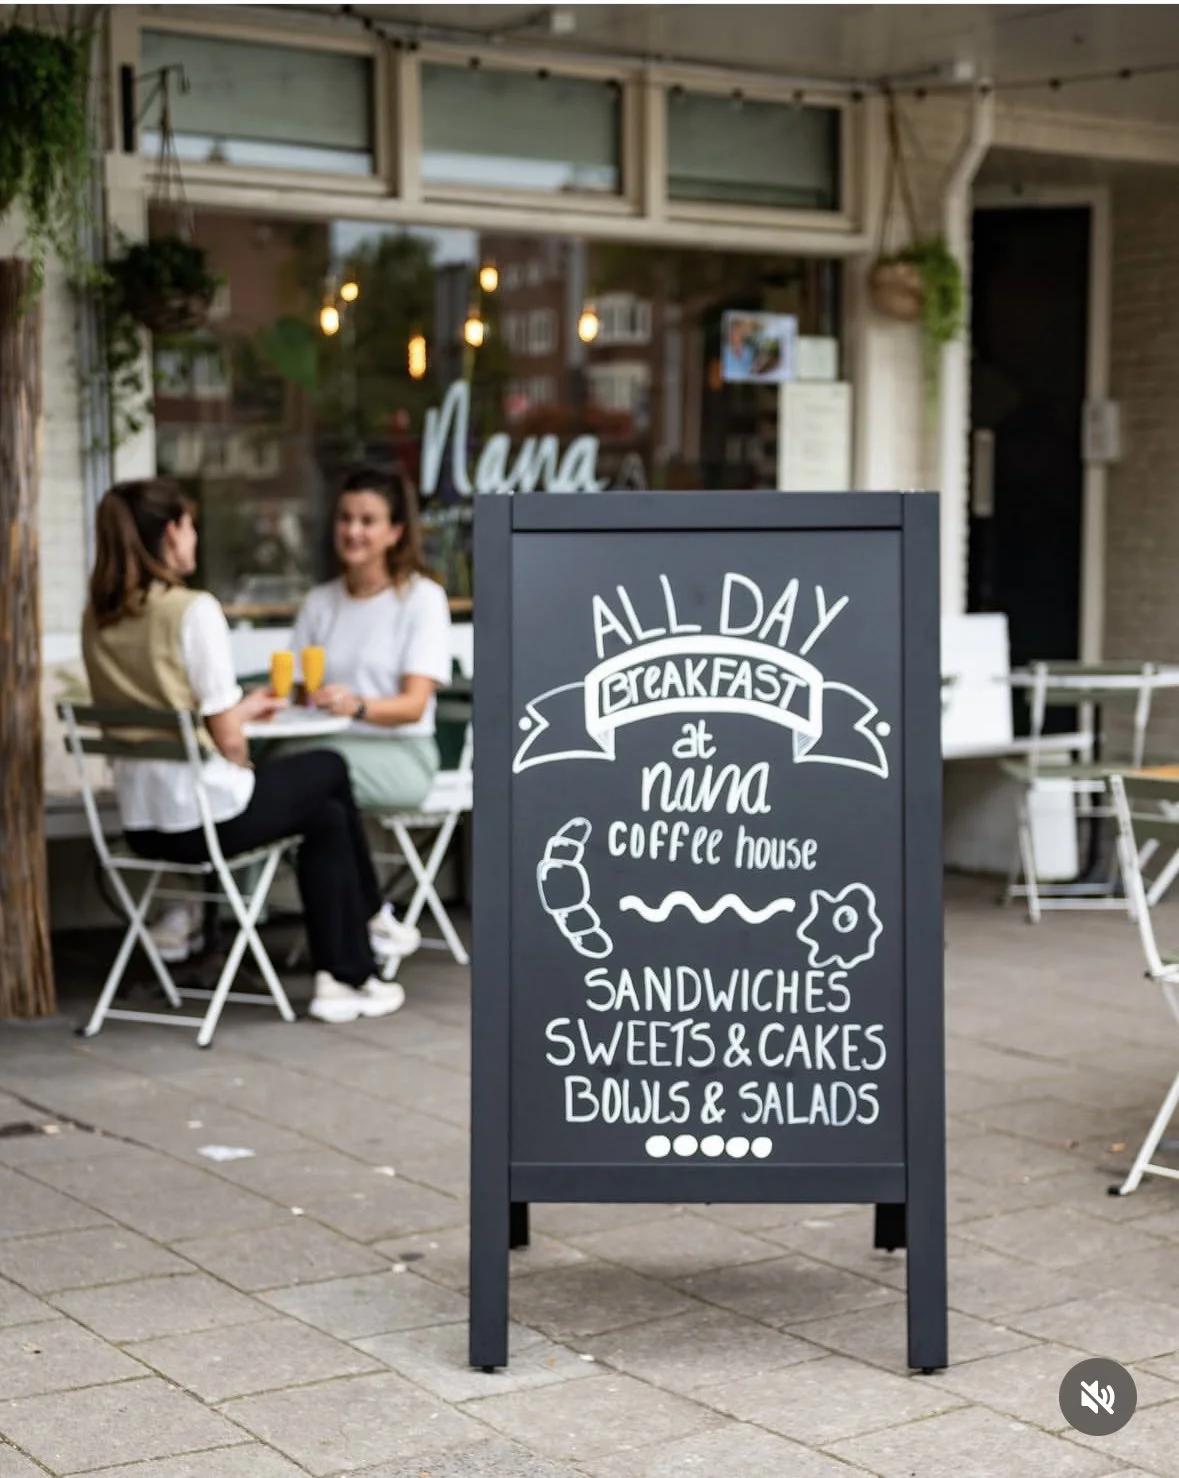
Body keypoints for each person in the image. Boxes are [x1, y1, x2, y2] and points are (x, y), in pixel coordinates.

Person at [80, 477, 420, 1026]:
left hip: (143, 822)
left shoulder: (99, 616)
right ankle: (362, 942)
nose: (194, 538)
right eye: (191, 526)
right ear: (172, 532)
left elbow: (169, 716)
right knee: (329, 768)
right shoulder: (192, 611)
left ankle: (349, 974)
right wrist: (237, 746)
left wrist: (236, 715)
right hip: (204, 820)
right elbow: (226, 739)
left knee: (328, 815)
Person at [274, 467, 452, 819]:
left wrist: (356, 706)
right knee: (278, 774)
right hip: (323, 746)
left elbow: (413, 705)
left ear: (395, 532)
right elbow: (295, 693)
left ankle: (229, 873)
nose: (353, 531)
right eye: (345, 518)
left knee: (290, 778)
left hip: (401, 756)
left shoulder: (422, 600)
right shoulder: (320, 602)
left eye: (367, 521)